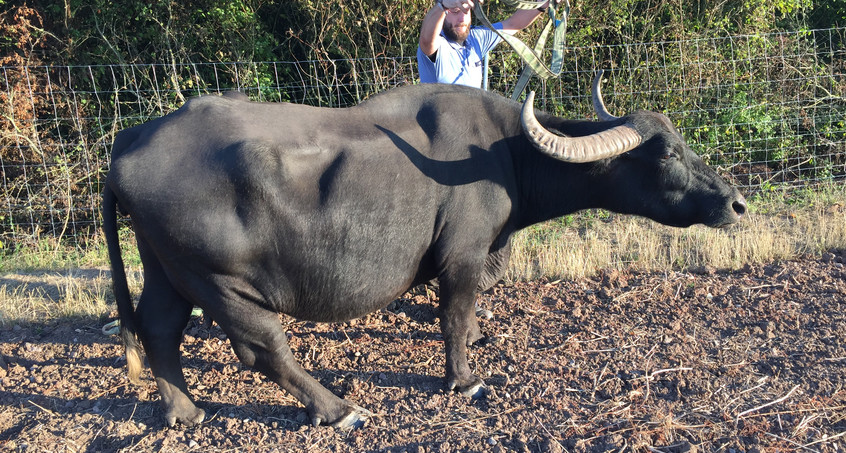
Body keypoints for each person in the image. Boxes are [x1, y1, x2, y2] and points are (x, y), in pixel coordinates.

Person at [417, 0, 550, 88]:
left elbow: (513, 24)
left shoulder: (476, 38)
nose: (462, 18)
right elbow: (426, 39)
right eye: (455, 11)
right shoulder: (438, 44)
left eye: (465, 12)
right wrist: (442, 5)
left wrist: (542, 4)